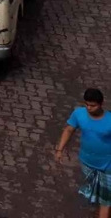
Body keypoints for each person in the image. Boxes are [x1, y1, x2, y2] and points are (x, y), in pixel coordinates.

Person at [57, 87, 111, 217]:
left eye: (92, 105)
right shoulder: (78, 114)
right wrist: (60, 149)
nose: (88, 108)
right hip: (87, 163)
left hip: (108, 166)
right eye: (86, 104)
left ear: (101, 104)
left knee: (106, 200)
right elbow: (69, 130)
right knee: (96, 193)